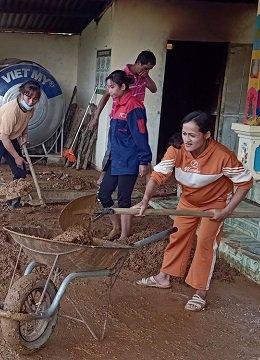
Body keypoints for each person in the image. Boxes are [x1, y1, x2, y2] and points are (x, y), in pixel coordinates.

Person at [134, 111, 253, 311]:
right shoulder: (177, 150)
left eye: (192, 135)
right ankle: (164, 277)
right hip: (188, 202)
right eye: (184, 134)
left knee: (206, 244)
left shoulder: (223, 156)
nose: (186, 139)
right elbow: (157, 176)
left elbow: (245, 183)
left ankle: (200, 291)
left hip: (215, 204)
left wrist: (227, 211)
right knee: (177, 237)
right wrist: (146, 199)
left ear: (206, 135)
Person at [0, 80, 42, 222]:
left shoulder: (30, 109)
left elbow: (25, 123)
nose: (31, 101)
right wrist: (17, 156)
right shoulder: (12, 110)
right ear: (22, 94)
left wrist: (24, 135)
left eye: (35, 99)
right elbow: (4, 138)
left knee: (20, 171)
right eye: (28, 97)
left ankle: (13, 201)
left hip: (10, 138)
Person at [97, 70, 152, 240]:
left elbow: (141, 135)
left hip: (130, 160)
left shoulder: (134, 107)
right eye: (108, 87)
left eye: (112, 87)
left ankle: (124, 236)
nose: (110, 91)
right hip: (116, 159)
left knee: (124, 199)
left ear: (123, 86)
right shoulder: (117, 103)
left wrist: (144, 160)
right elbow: (113, 138)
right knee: (103, 194)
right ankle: (116, 227)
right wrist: (106, 164)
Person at [88, 50, 157, 184]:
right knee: (112, 150)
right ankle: (104, 176)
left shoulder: (144, 77)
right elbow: (105, 96)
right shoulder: (122, 76)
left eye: (150, 69)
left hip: (136, 117)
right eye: (146, 68)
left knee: (142, 146)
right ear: (138, 63)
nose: (147, 71)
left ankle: (150, 184)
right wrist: (96, 117)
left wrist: (147, 76)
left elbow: (154, 89)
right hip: (119, 119)